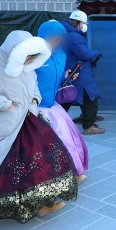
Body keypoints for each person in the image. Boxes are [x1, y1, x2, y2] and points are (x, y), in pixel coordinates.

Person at [0, 31, 78, 227]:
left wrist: (34, 101)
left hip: (28, 123)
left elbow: (33, 86)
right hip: (2, 128)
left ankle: (42, 202)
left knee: (37, 163)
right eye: (25, 54)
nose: (28, 58)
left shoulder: (28, 66)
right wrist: (5, 104)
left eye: (31, 54)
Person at [36, 20, 89, 185]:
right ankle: (50, 180)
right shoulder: (33, 55)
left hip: (53, 107)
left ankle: (72, 171)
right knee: (44, 147)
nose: (58, 40)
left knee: (67, 140)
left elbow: (54, 78)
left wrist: (66, 76)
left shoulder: (61, 55)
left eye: (60, 37)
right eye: (54, 37)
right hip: (35, 108)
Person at [60, 11, 105, 135]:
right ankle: (88, 125)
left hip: (72, 72)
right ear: (78, 23)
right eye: (84, 23)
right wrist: (96, 53)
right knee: (90, 98)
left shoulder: (66, 34)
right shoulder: (74, 36)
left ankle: (55, 123)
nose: (85, 26)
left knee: (67, 98)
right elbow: (84, 54)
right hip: (79, 73)